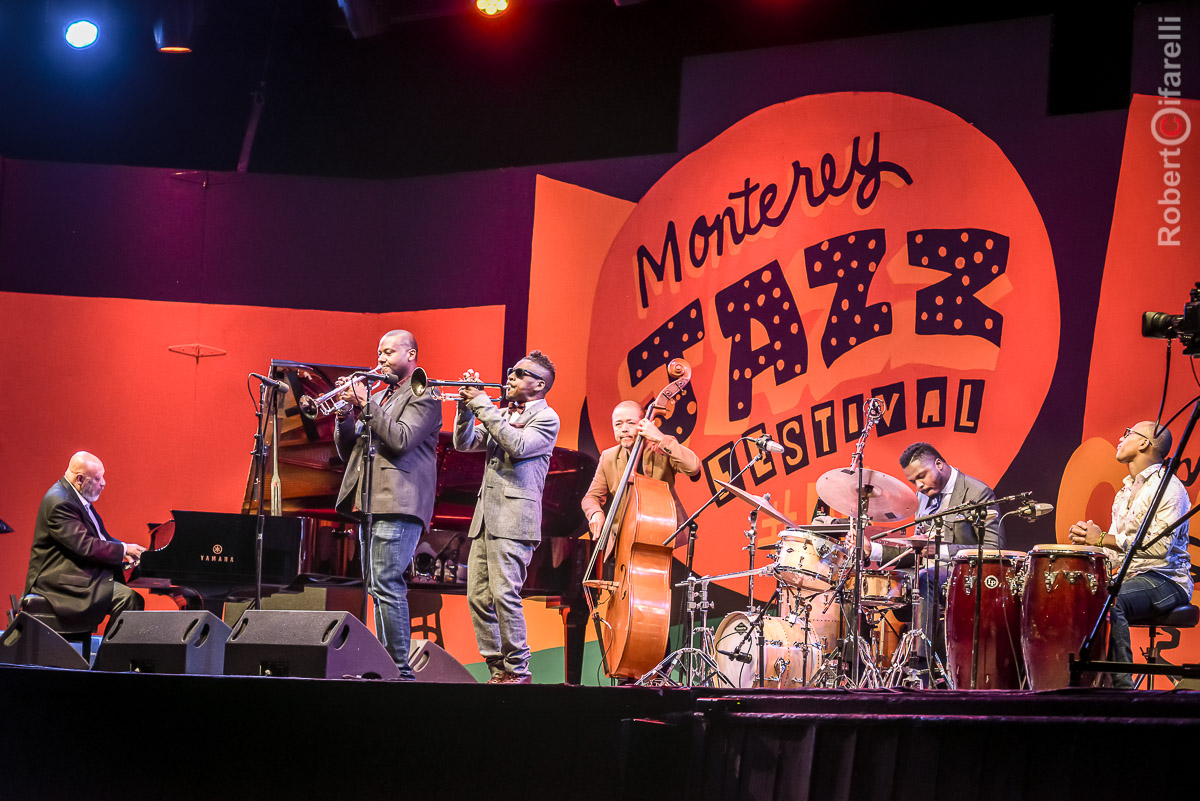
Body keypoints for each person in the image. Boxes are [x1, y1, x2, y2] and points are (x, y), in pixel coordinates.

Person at [334, 329, 442, 681]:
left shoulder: (424, 393)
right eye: (379, 352)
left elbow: (401, 440)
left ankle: (398, 672)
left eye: (388, 352)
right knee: (376, 586)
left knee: (387, 584)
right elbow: (347, 452)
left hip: (399, 501)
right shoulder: (383, 394)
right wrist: (344, 416)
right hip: (370, 500)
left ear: (410, 355)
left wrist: (367, 403)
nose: (380, 359)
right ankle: (384, 667)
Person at [454, 351, 560, 684]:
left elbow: (516, 445)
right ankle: (497, 669)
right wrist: (464, 408)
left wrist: (482, 404)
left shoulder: (547, 418)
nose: (509, 376)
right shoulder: (500, 413)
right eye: (510, 371)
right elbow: (464, 443)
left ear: (538, 384)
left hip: (515, 519)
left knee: (504, 596)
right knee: (477, 597)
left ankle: (518, 670)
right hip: (486, 517)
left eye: (518, 373)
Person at [1068, 421, 1193, 689]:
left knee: (1111, 600)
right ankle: (1088, 682)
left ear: (1144, 443)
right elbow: (1115, 554)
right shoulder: (1124, 493)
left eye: (1128, 433)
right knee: (1080, 594)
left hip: (1166, 580)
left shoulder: (1169, 488)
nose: (1121, 437)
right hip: (1133, 576)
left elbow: (1158, 548)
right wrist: (1088, 545)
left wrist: (1101, 538)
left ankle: (1122, 688)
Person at [870, 442, 1003, 680]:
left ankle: (924, 664)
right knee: (879, 590)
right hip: (930, 574)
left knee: (924, 577)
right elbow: (920, 551)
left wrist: (939, 551)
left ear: (939, 464)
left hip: (967, 576)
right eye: (914, 482)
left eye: (922, 476)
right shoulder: (924, 498)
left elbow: (994, 549)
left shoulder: (976, 492)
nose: (919, 486)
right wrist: (874, 551)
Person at [23, 452, 146, 632]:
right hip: (57, 584)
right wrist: (123, 549)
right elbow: (85, 546)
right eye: (97, 478)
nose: (104, 483)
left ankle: (111, 658)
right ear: (80, 479)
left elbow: (100, 538)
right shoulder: (61, 502)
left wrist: (126, 550)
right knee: (128, 599)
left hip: (73, 576)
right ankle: (109, 660)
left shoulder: (75, 498)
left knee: (130, 598)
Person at [581, 400, 702, 559]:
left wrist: (660, 437)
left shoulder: (662, 448)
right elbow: (591, 497)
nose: (624, 429)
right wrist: (595, 513)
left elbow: (693, 467)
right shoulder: (608, 457)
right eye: (618, 424)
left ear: (645, 424)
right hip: (621, 542)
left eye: (631, 423)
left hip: (661, 537)